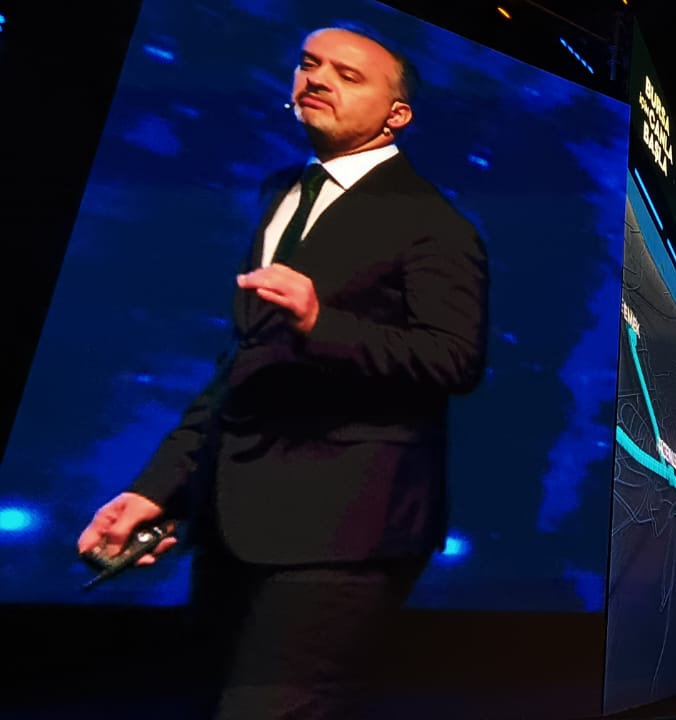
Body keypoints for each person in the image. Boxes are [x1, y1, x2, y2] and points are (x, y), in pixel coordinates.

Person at [75, 26, 488, 719]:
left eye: (348, 75)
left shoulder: (433, 222)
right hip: (235, 518)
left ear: (397, 115)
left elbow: (454, 358)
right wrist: (157, 489)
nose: (317, 79)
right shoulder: (281, 191)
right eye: (309, 64)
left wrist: (322, 323)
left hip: (348, 531)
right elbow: (245, 364)